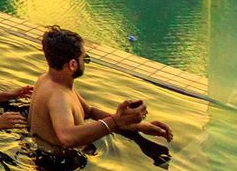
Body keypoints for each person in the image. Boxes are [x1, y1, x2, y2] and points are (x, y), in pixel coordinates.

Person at [29, 26, 173, 149]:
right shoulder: (58, 96)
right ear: (73, 65)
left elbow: (89, 111)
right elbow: (67, 137)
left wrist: (138, 125)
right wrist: (116, 121)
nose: (85, 63)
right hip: (54, 169)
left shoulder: (50, 81)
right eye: (84, 58)